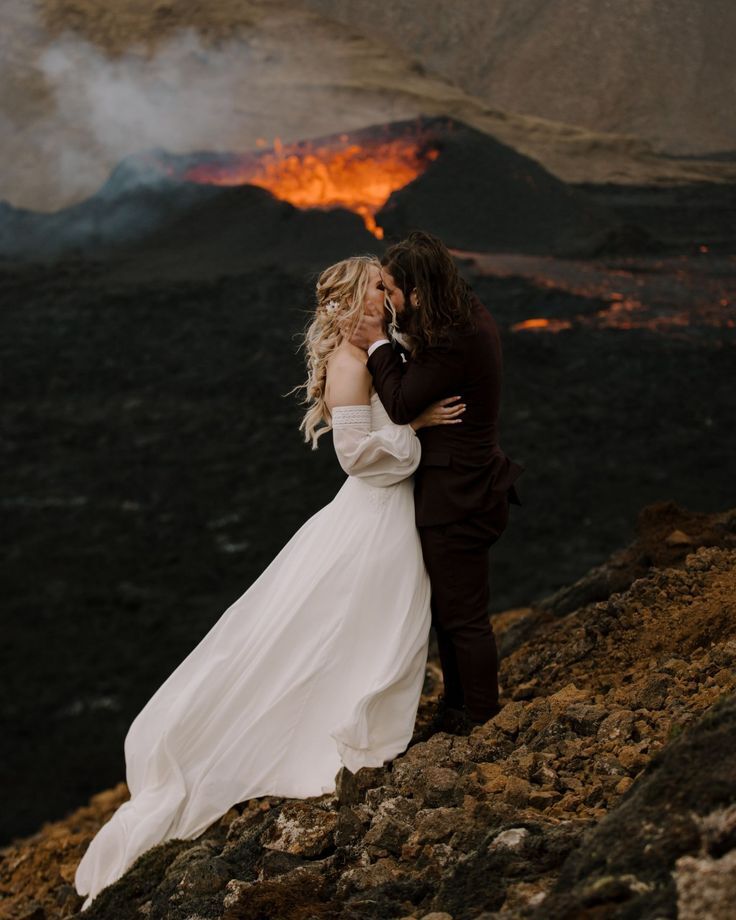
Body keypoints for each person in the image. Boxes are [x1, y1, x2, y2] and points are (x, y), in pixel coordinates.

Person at [73, 254, 465, 910]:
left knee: (379, 625)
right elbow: (359, 460)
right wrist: (417, 433)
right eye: (376, 287)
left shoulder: (383, 344)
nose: (387, 294)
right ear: (349, 298)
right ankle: (344, 737)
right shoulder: (348, 362)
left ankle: (370, 724)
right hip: (375, 520)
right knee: (365, 627)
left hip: (398, 517)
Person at [350, 231, 525, 735]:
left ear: (419, 292)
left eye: (390, 289)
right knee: (451, 611)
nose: (385, 299)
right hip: (467, 488)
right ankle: (458, 709)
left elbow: (403, 405)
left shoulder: (453, 340)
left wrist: (378, 344)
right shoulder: (457, 314)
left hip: (459, 498)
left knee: (463, 616)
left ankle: (481, 717)